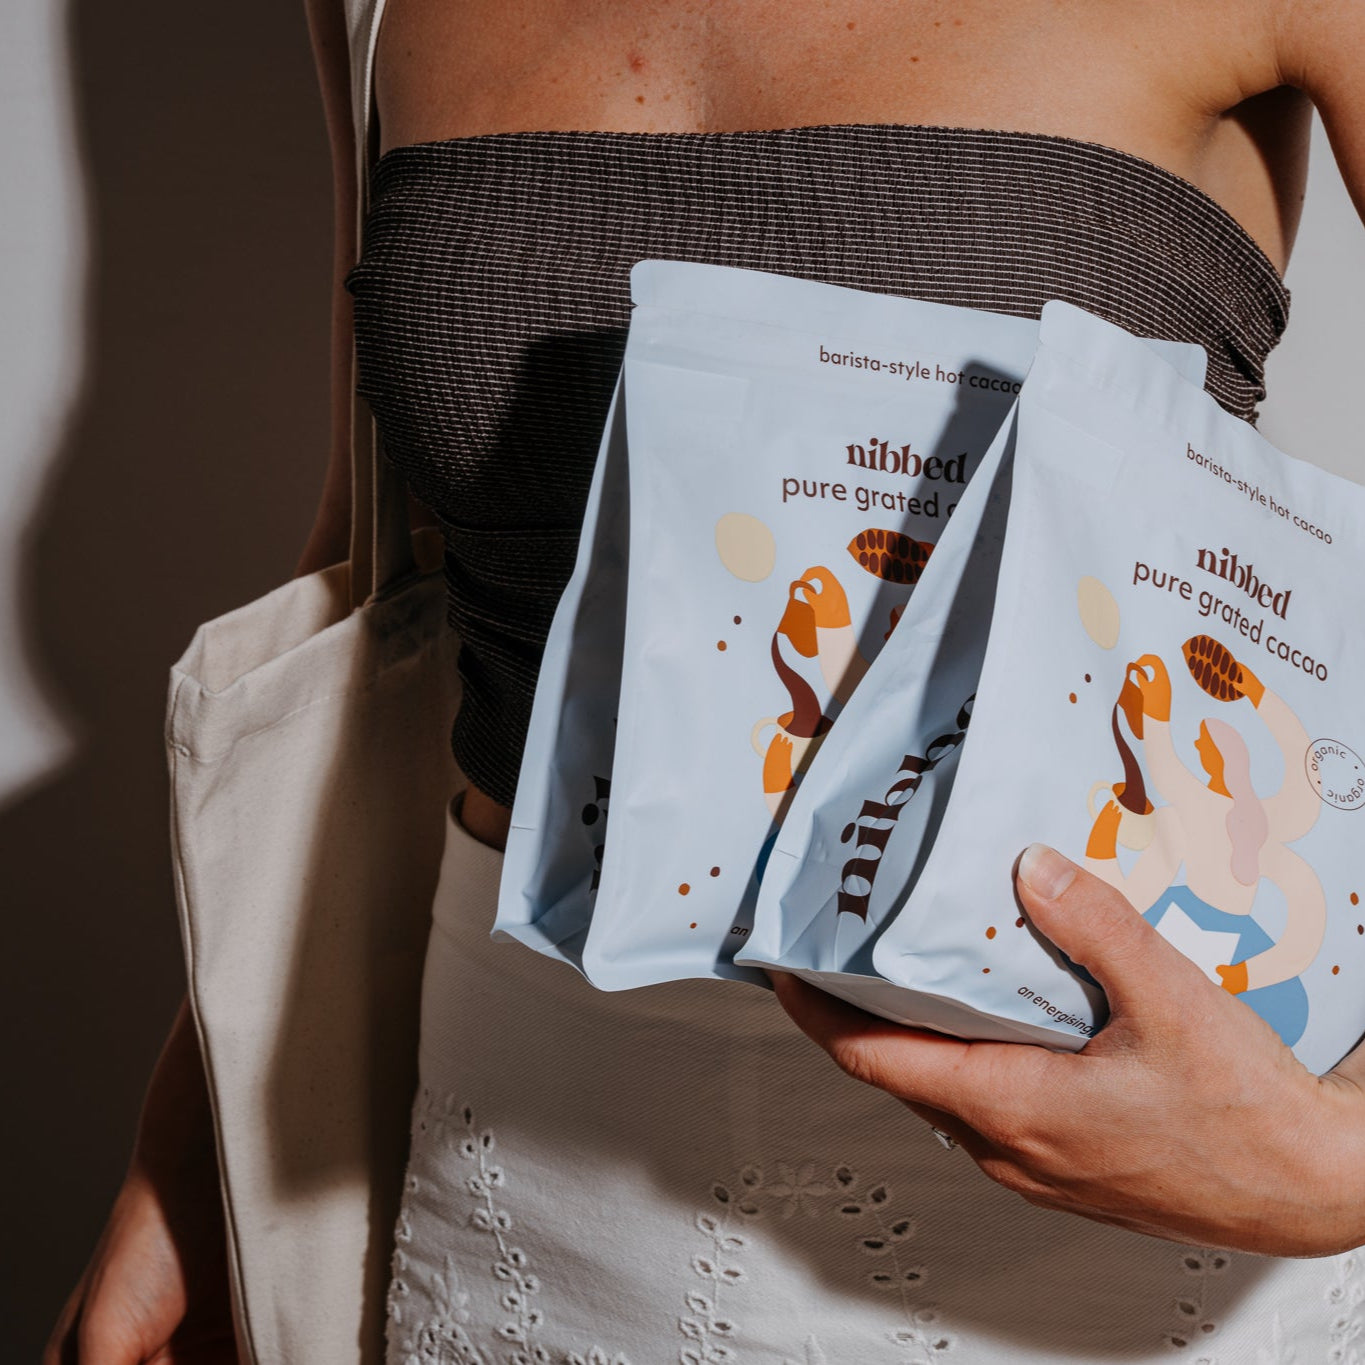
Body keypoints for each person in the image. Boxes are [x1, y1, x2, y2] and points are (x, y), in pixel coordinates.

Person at [48, 1, 1365, 1361]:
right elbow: (399, 583)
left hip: (1104, 1230)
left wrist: (1343, 1158)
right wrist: (208, 1121)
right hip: (522, 1179)